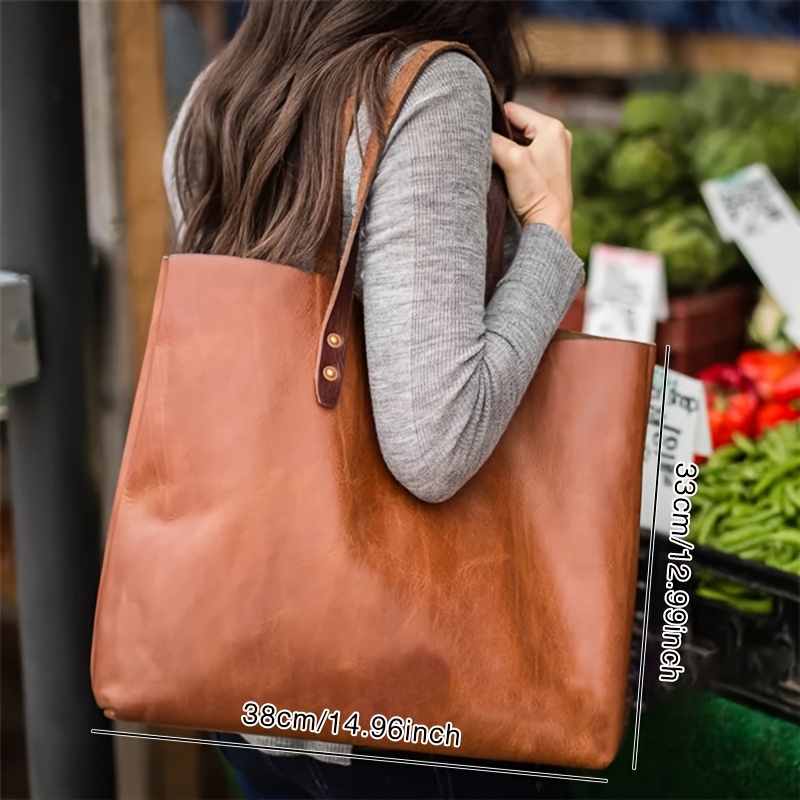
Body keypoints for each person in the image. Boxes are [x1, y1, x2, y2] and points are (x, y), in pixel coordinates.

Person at [163, 1, 583, 797]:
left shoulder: (228, 86)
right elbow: (433, 445)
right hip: (404, 698)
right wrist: (550, 228)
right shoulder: (431, 85)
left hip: (241, 650)